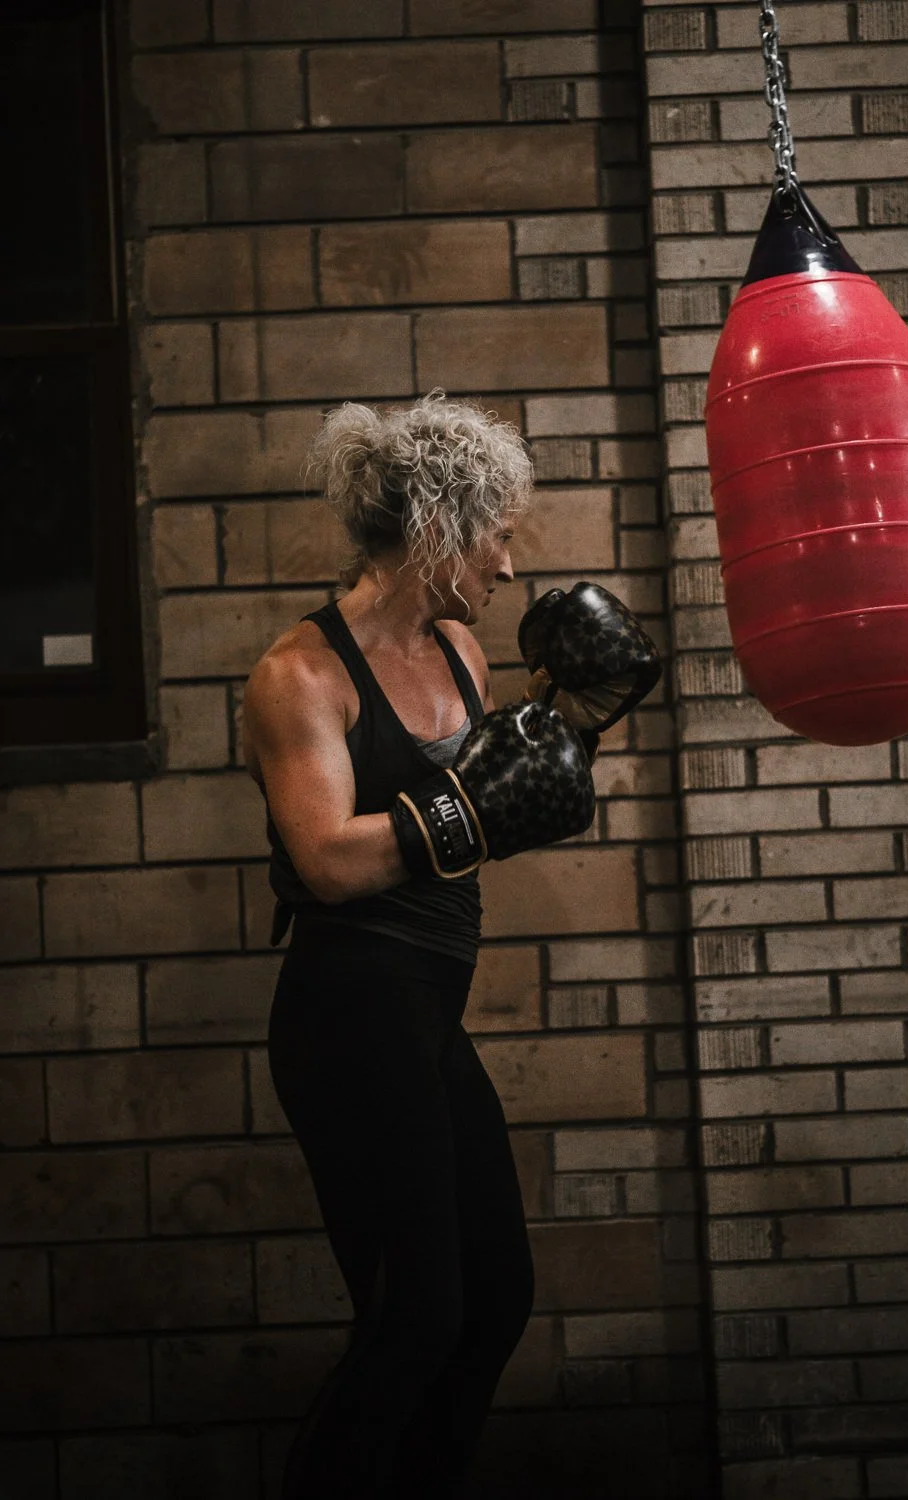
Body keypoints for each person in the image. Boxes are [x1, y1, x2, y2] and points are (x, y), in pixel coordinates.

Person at [242, 391, 594, 1499]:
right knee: (415, 1314)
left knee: (494, 1299)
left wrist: (571, 730)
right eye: (494, 537)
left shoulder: (459, 655)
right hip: (343, 1014)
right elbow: (331, 860)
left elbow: (486, 809)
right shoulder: (299, 674)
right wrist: (465, 811)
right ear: (442, 532)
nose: (503, 565)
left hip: (425, 1012)